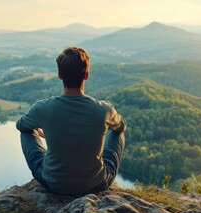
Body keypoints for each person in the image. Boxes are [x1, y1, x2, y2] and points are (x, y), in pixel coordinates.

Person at [16, 47, 126, 195]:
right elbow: (121, 125)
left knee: (26, 132)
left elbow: (21, 125)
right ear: (86, 75)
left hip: (54, 183)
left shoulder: (43, 108)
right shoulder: (103, 109)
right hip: (96, 184)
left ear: (60, 75)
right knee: (118, 132)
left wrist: (49, 133)